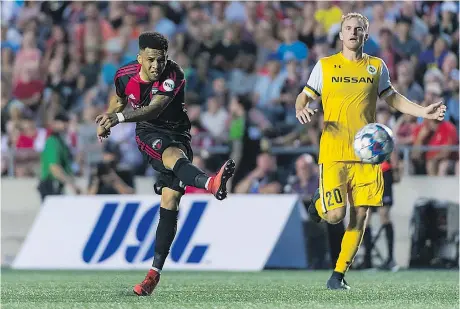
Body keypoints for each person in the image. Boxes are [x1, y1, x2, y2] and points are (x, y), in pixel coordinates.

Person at [295, 13, 446, 290]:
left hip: (367, 156)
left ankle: (338, 275)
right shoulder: (325, 66)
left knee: (361, 214)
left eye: (359, 29)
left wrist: (424, 112)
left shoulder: (376, 67)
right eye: (348, 29)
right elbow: (304, 95)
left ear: (366, 36)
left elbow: (393, 98)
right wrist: (300, 107)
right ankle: (319, 204)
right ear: (341, 35)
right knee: (335, 215)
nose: (353, 33)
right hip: (334, 153)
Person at [95, 32, 236, 296]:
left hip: (179, 131)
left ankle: (153, 275)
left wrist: (118, 118)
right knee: (172, 157)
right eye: (150, 60)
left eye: (160, 60)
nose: (156, 66)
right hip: (149, 132)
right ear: (139, 57)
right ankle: (210, 182)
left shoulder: (174, 74)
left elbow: (155, 107)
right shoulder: (123, 75)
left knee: (170, 201)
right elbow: (120, 99)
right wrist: (108, 119)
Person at [38, 113, 81, 201]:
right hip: (51, 184)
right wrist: (70, 184)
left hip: (57, 184)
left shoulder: (61, 142)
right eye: (62, 122)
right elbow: (54, 167)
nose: (65, 126)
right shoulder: (52, 142)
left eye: (66, 123)